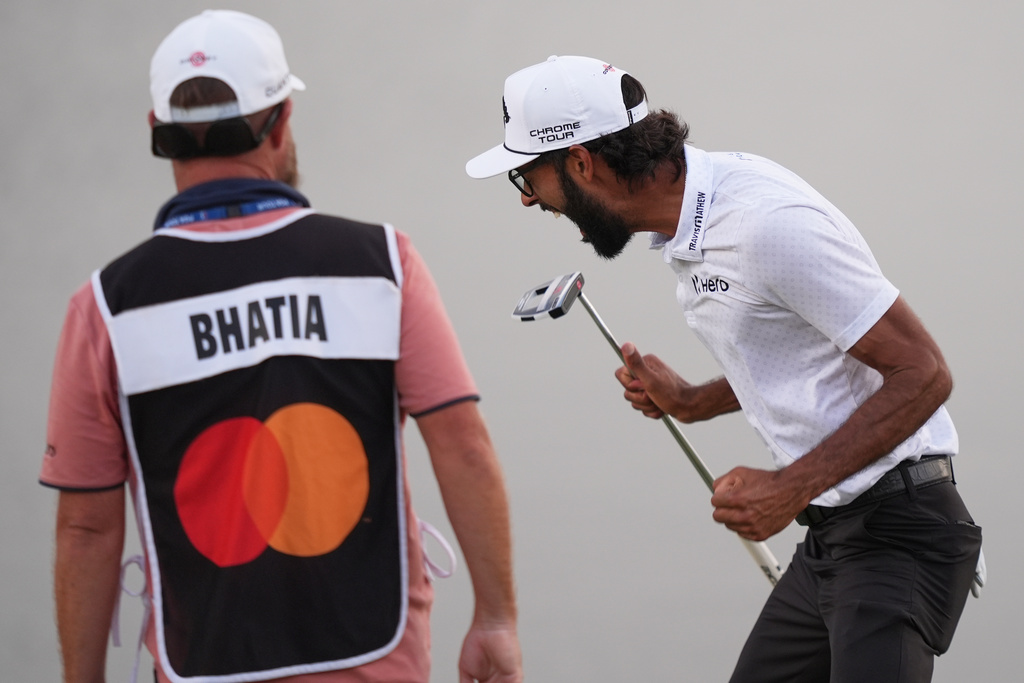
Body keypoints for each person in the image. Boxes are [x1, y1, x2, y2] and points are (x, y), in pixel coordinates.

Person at [42, 10, 522, 683]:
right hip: (375, 661)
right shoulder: (382, 263)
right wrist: (496, 619)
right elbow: (463, 443)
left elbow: (86, 529)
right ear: (282, 118)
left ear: (158, 133)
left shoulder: (103, 307)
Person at [466, 54, 981, 682]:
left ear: (581, 163)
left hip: (899, 534)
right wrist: (692, 401)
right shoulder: (690, 221)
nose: (527, 200)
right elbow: (803, 352)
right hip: (835, 539)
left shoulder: (765, 226)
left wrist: (789, 487)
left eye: (525, 177)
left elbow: (923, 373)